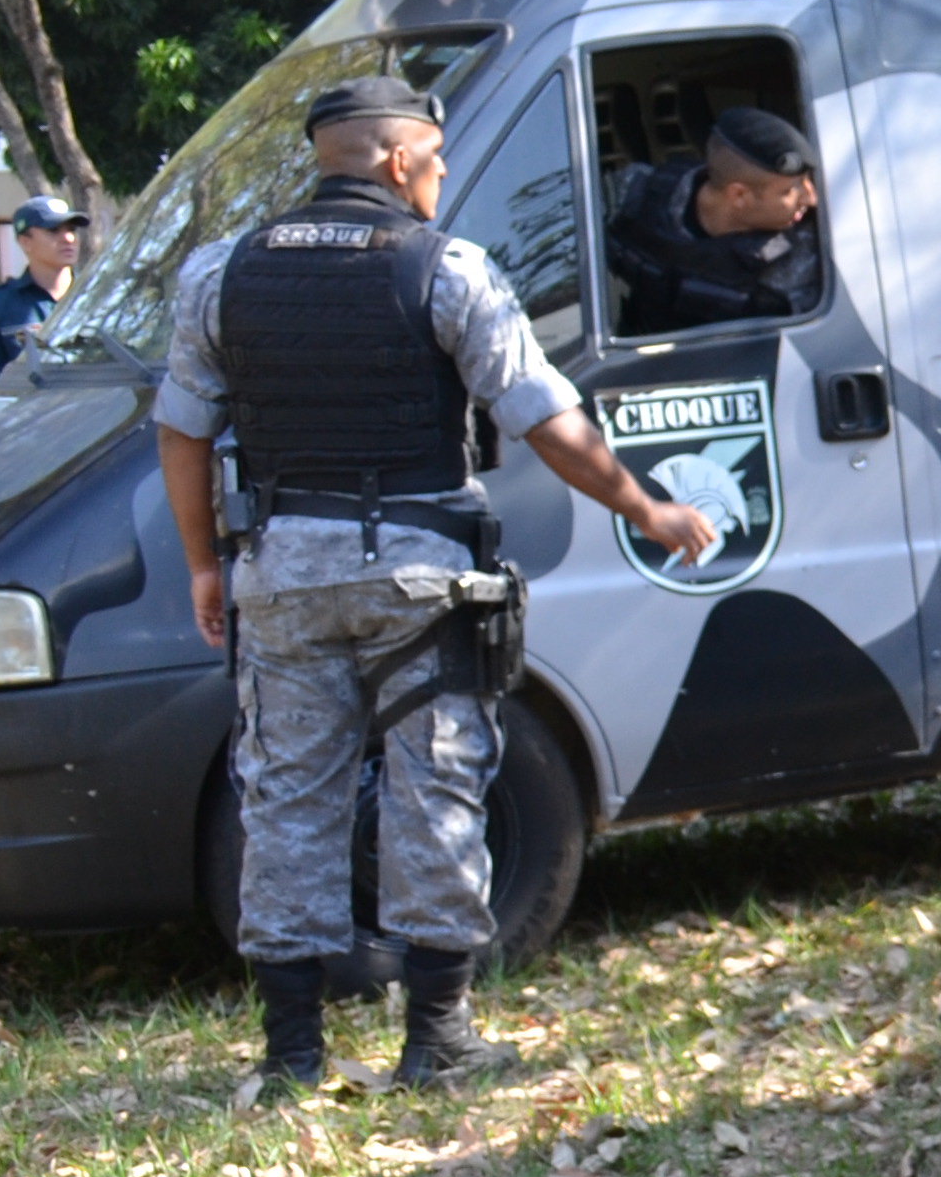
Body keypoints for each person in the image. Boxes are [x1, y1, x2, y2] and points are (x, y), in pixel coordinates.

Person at [153, 80, 722, 1091]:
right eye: (438, 158)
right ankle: (439, 1038)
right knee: (436, 791)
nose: (444, 175)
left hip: (281, 573)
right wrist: (646, 508)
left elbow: (182, 429)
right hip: (420, 581)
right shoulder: (446, 268)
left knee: (286, 800)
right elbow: (545, 419)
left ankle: (291, 1055)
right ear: (397, 160)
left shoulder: (221, 272)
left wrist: (205, 562)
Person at [603, 107, 826, 335]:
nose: (811, 198)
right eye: (792, 189)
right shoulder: (630, 195)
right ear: (739, 195)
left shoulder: (808, 257)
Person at [0, 201, 78, 384]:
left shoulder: (103, 297)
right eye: (53, 231)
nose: (68, 238)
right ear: (25, 242)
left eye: (71, 230)